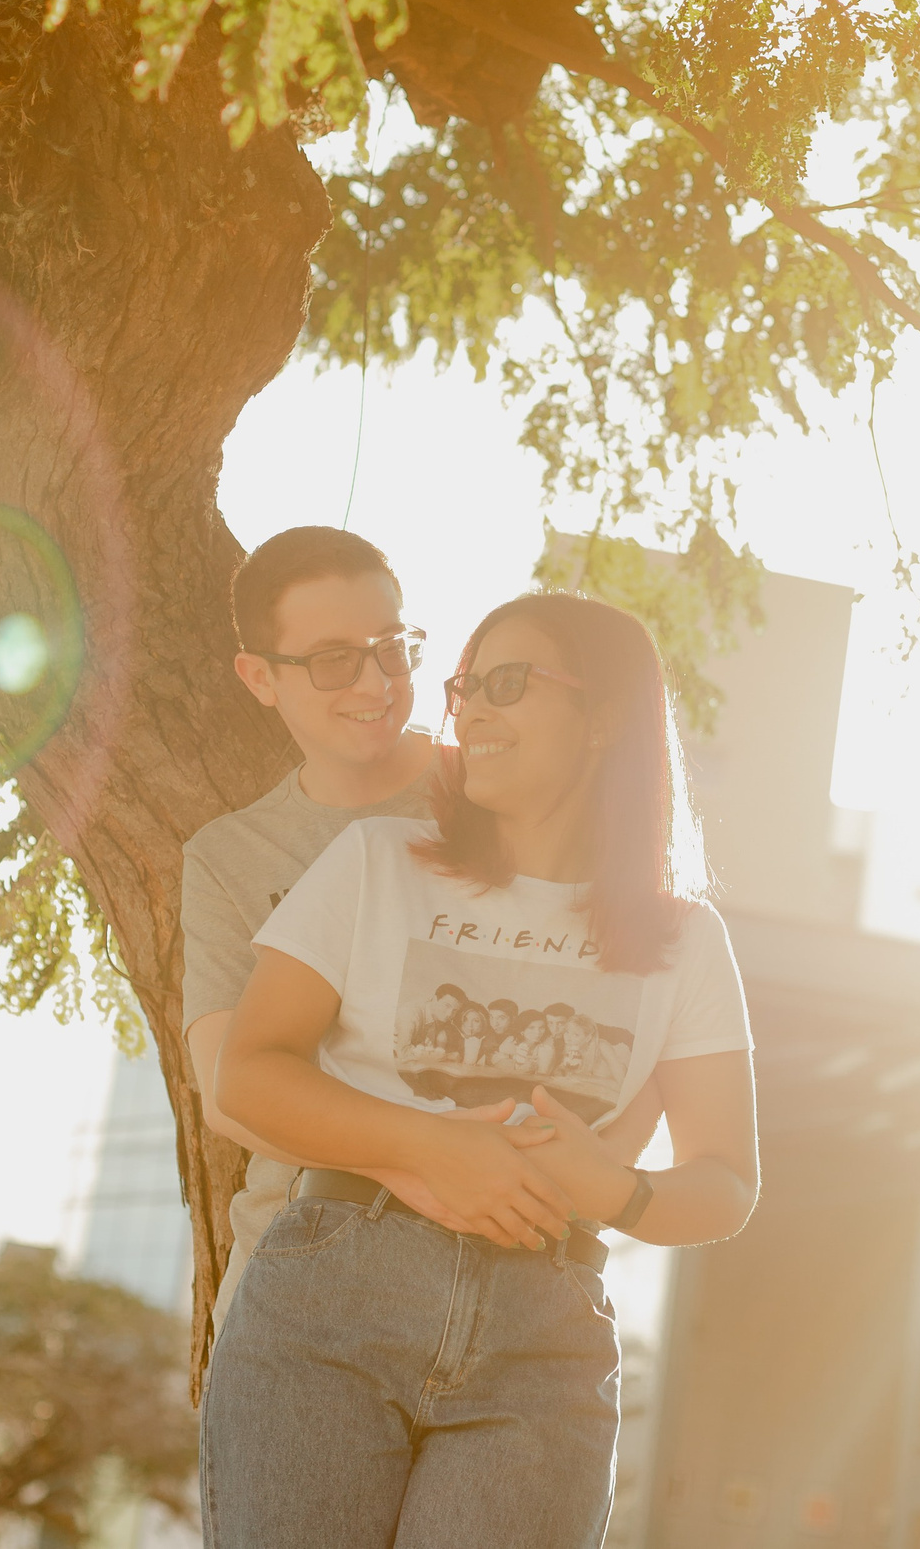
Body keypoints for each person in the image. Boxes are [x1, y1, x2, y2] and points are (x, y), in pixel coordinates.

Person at [202, 591, 761, 1548]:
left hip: (543, 1338)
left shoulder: (685, 940)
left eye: (507, 683)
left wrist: (614, 1188)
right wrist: (432, 1147)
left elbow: (726, 1182)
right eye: (465, 688)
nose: (469, 711)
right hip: (330, 1306)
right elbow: (247, 1076)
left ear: (605, 717)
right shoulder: (377, 861)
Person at [181, 531, 662, 1336]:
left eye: (394, 650)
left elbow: (631, 1009)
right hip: (293, 1284)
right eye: (335, 660)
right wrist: (427, 1160)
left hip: (513, 1278)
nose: (376, 683)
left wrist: (566, 1186)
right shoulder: (228, 856)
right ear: (260, 676)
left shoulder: (506, 779)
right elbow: (229, 1089)